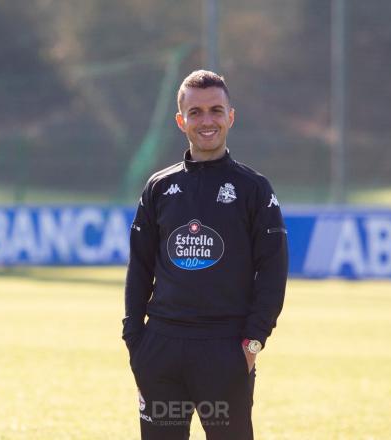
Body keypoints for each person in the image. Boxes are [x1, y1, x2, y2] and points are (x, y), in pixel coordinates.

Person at [122, 70, 288, 440]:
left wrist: (252, 343)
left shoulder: (254, 189)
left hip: (225, 351)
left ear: (231, 116)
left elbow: (273, 272)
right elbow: (139, 268)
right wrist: (135, 338)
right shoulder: (160, 187)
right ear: (181, 121)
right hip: (161, 350)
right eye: (195, 112)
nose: (206, 120)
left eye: (216, 110)